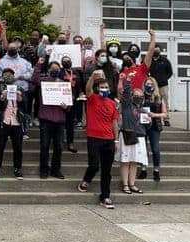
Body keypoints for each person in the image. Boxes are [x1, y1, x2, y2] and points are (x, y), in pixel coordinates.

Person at [77, 70, 120, 209]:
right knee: (94, 165)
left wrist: (116, 140)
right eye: (102, 87)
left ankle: (105, 196)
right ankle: (86, 180)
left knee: (107, 171)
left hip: (109, 139)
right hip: (94, 138)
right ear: (97, 89)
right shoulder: (92, 98)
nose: (104, 89)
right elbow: (87, 89)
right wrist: (92, 77)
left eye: (106, 87)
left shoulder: (112, 103)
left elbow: (115, 123)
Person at [32, 59, 70, 179]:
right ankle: (44, 170)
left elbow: (69, 104)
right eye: (53, 68)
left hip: (60, 121)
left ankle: (55, 170)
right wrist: (39, 64)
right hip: (46, 119)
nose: (55, 70)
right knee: (44, 146)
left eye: (57, 69)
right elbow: (34, 79)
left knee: (59, 147)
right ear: (49, 70)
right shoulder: (44, 82)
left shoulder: (64, 84)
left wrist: (66, 107)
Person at [0, 70, 27, 179]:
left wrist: (21, 98)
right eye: (6, 75)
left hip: (16, 121)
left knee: (18, 147)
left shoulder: (20, 88)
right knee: (0, 146)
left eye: (11, 74)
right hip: (4, 120)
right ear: (2, 77)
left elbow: (25, 104)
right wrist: (2, 97)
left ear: (14, 76)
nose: (8, 76)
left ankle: (17, 169)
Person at [117, 77, 148, 195]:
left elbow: (147, 126)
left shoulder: (143, 109)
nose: (138, 97)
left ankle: (132, 184)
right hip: (128, 134)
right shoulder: (126, 105)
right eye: (136, 95)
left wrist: (148, 121)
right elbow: (125, 95)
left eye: (140, 96)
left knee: (135, 161)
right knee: (126, 161)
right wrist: (128, 82)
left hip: (139, 136)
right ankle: (125, 184)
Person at [138, 77, 168, 182]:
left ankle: (156, 170)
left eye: (151, 84)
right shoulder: (140, 96)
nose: (149, 86)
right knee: (142, 149)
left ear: (154, 86)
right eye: (147, 84)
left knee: (155, 149)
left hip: (154, 126)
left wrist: (154, 114)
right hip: (141, 126)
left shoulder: (158, 98)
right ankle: (143, 169)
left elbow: (165, 114)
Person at [61, 55, 84, 153]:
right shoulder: (59, 72)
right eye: (64, 60)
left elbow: (80, 84)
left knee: (70, 123)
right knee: (61, 122)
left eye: (68, 60)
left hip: (74, 101)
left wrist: (80, 93)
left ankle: (70, 143)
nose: (66, 62)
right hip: (62, 101)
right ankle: (59, 142)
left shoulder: (76, 72)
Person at [148, 45, 173, 126]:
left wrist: (164, 79)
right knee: (152, 101)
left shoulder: (165, 60)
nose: (156, 52)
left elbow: (170, 72)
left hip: (163, 85)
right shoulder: (149, 60)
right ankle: (153, 118)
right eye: (154, 50)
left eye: (157, 50)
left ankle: (166, 119)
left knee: (164, 102)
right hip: (152, 86)